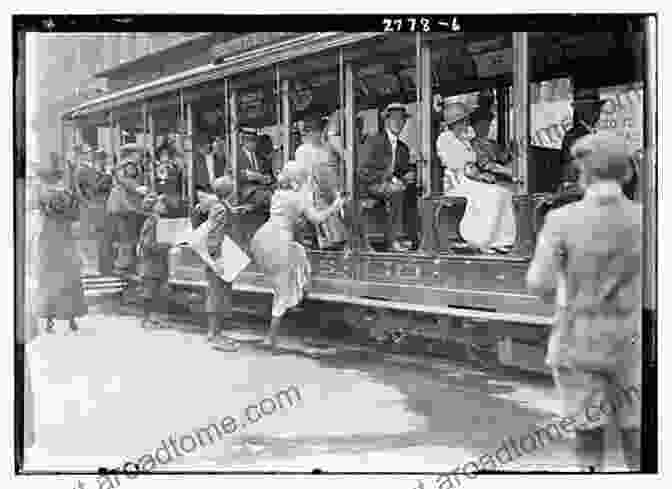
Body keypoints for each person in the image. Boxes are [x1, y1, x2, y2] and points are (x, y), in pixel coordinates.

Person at [526, 132, 642, 472]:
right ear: (628, 174)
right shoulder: (649, 219)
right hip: (635, 343)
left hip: (578, 342)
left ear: (584, 174)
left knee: (587, 435)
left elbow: (539, 284)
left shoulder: (561, 221)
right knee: (637, 431)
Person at [250, 160, 345, 351]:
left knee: (291, 269)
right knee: (283, 290)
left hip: (262, 237)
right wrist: (336, 205)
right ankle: (271, 337)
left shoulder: (278, 194)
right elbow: (317, 218)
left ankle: (292, 306)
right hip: (279, 242)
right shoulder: (298, 198)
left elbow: (291, 216)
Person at [436, 101, 516, 253]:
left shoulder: (465, 139)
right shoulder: (446, 139)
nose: (465, 124)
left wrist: (484, 175)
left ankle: (501, 239)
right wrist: (481, 177)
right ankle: (480, 240)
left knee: (505, 192)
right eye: (461, 121)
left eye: (465, 120)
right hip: (456, 182)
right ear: (452, 124)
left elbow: (476, 163)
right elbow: (460, 166)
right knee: (493, 194)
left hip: (469, 179)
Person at [30, 158, 87, 333]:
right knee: (68, 278)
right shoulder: (64, 194)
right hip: (63, 238)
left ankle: (51, 321)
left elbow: (45, 212)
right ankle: (69, 320)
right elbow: (75, 213)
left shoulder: (43, 195)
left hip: (50, 239)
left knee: (51, 279)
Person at [358, 103, 417, 252]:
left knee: (414, 192)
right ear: (387, 121)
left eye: (401, 119)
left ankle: (412, 236)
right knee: (396, 190)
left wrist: (407, 176)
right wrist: (387, 177)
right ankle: (394, 240)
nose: (398, 122)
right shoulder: (374, 141)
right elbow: (363, 170)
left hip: (391, 186)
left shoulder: (403, 148)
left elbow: (401, 172)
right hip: (370, 185)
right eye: (394, 119)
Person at [295, 113, 349, 250]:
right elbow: (306, 177)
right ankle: (329, 239)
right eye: (313, 131)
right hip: (313, 192)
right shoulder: (302, 151)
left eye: (319, 130)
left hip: (332, 188)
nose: (317, 135)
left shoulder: (329, 148)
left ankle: (339, 240)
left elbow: (341, 165)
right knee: (319, 198)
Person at [106, 144, 148, 273]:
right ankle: (124, 265)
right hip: (125, 206)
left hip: (123, 206)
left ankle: (127, 264)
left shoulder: (125, 164)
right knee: (127, 237)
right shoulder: (129, 165)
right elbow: (126, 180)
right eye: (139, 153)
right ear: (133, 154)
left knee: (127, 236)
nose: (141, 156)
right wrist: (138, 188)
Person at [136, 193, 173, 330]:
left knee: (155, 292)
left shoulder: (156, 220)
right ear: (154, 207)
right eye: (160, 203)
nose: (163, 206)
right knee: (149, 292)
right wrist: (167, 246)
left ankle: (153, 319)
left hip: (156, 263)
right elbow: (148, 244)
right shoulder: (152, 222)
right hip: (151, 264)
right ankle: (146, 319)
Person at [560, 88, 607, 187]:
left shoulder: (594, 134)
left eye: (597, 108)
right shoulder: (573, 136)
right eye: (593, 109)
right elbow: (570, 173)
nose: (597, 113)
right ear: (582, 112)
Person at [237, 128, 274, 211]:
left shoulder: (259, 155)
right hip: (246, 192)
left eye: (254, 140)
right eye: (250, 140)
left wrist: (266, 178)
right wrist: (250, 176)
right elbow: (232, 175)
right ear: (243, 141)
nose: (253, 143)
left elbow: (265, 173)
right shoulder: (236, 156)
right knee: (270, 197)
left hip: (262, 188)